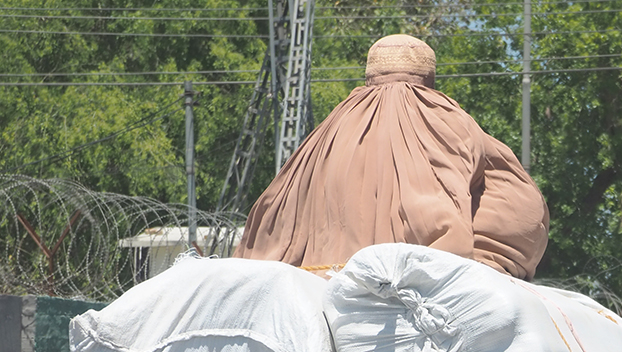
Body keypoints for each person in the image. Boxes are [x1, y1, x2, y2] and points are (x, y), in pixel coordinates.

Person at [235, 34, 550, 279]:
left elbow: (269, 220)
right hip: (421, 290)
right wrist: (484, 262)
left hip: (322, 288)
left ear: (370, 74)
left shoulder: (327, 131)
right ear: (430, 78)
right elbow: (520, 210)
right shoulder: (445, 116)